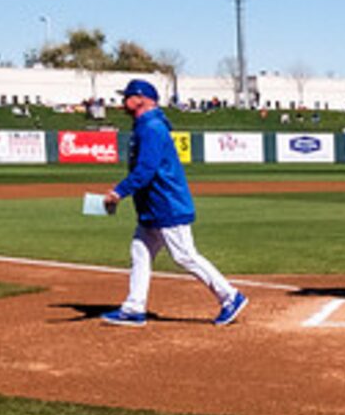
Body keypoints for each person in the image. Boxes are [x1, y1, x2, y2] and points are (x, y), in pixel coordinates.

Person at [98, 77, 247, 326]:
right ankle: (134, 307)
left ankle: (230, 296)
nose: (122, 102)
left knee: (185, 255)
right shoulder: (145, 125)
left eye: (127, 97)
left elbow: (146, 169)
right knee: (140, 252)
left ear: (141, 99)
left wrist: (119, 192)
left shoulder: (152, 127)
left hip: (166, 204)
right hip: (152, 206)